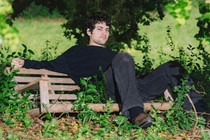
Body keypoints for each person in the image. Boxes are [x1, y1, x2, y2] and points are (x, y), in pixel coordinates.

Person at [11, 12, 208, 128]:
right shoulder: (77, 52)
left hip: (132, 87)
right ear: (88, 32)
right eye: (99, 28)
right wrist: (24, 62)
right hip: (110, 89)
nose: (104, 32)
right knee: (123, 57)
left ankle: (202, 115)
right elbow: (49, 64)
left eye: (107, 29)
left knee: (172, 67)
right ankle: (136, 114)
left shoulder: (114, 55)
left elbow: (129, 74)